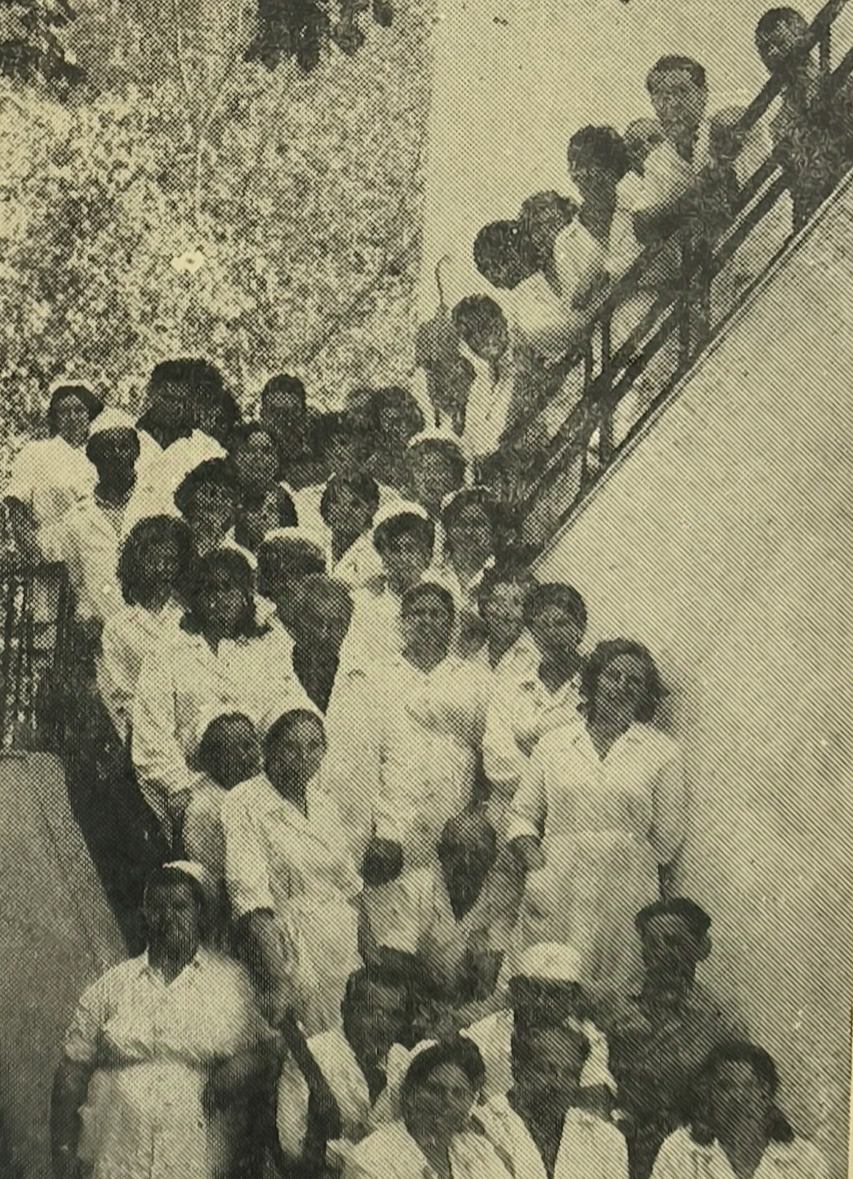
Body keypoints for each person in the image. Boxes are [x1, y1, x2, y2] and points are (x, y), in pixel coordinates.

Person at [50, 862, 270, 1179]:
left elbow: (270, 1049)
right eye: (157, 908)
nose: (168, 918)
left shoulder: (230, 981)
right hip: (118, 1156)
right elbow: (72, 1068)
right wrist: (63, 1152)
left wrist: (239, 1070)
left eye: (180, 907)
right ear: (145, 916)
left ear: (199, 913)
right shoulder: (113, 985)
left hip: (193, 1157)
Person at [506, 639, 684, 986]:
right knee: (546, 981)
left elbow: (667, 837)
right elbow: (522, 815)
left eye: (634, 681)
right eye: (613, 676)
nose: (621, 687)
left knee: (613, 987)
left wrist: (625, 857)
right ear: (595, 679)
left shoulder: (663, 752)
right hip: (558, 880)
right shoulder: (554, 743)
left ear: (645, 694)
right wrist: (537, 864)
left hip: (625, 887)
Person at [132, 548, 308, 843]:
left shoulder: (269, 644)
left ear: (246, 595)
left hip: (264, 777)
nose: (219, 600)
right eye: (209, 590)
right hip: (198, 784)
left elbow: (289, 708)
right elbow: (151, 732)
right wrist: (178, 787)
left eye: (229, 589)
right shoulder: (167, 651)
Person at [327, 583, 488, 873]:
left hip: (456, 830)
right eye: (417, 613)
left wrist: (475, 814)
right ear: (402, 622)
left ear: (452, 623)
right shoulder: (374, 677)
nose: (426, 621)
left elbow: (486, 751)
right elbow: (360, 761)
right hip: (391, 833)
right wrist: (380, 830)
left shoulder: (476, 681)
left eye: (436, 614)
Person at [224, 707, 362, 1035]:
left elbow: (350, 885)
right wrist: (279, 980)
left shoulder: (324, 804)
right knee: (319, 1041)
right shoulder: (243, 801)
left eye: (314, 746)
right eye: (290, 747)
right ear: (268, 749)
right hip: (292, 948)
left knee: (355, 1033)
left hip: (343, 941)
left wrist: (369, 956)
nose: (303, 758)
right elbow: (252, 900)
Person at [603, 898, 747, 1179]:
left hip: (688, 1157)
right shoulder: (612, 1005)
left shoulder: (723, 1022)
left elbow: (735, 1103)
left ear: (702, 948)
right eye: (651, 944)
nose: (661, 955)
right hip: (617, 1150)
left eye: (674, 943)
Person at [361, 811, 523, 1004]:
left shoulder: (502, 896)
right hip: (418, 1001)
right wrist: (432, 976)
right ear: (441, 852)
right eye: (456, 851)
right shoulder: (413, 890)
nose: (466, 863)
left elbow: (491, 973)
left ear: (492, 858)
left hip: (475, 1006)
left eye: (478, 854)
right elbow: (392, 958)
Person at [276, 964, 418, 1171]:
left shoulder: (401, 1061)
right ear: (345, 1010)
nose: (382, 1024)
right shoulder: (312, 1056)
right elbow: (292, 1148)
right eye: (370, 1011)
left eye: (394, 1015)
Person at [462, 941, 614, 1107]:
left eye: (554, 993)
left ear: (572, 998)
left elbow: (594, 1101)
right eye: (533, 991)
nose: (541, 1002)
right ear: (517, 991)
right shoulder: (483, 1032)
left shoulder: (590, 1040)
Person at [482, 583, 588, 822]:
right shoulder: (509, 687)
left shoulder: (596, 691)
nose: (551, 634)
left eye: (561, 624)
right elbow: (497, 759)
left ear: (580, 629)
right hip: (512, 812)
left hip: (575, 815)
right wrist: (552, 789)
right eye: (542, 625)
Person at [475, 1022, 629, 1179]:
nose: (558, 1083)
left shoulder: (606, 1140)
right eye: (547, 1069)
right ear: (517, 1068)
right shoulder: (482, 1127)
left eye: (570, 1073)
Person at [343, 1037, 512, 1179]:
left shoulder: (476, 1150)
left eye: (459, 1094)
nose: (448, 1101)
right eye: (435, 1090)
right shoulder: (373, 1158)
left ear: (470, 1104)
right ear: (410, 1094)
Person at [652, 1042, 826, 1179]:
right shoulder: (681, 1151)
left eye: (730, 1087)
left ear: (764, 1092)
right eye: (721, 1087)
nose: (730, 1098)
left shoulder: (805, 1160)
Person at [97, 514, 194, 744]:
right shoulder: (118, 628)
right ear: (137, 563)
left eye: (170, 561)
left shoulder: (191, 620)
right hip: (143, 740)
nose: (162, 569)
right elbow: (121, 697)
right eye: (153, 560)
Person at [755, 7, 853, 232]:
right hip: (821, 216)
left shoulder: (843, 85)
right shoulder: (779, 124)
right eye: (764, 48)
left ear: (803, 38)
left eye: (779, 43)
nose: (772, 54)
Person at [46, 420, 141, 624]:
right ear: (94, 457)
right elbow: (75, 583)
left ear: (136, 453)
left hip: (152, 629)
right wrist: (87, 617)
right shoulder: (76, 519)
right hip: (100, 628)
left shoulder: (154, 505)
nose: (116, 454)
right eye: (107, 448)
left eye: (124, 447)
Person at [126, 360, 230, 532]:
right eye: (168, 398)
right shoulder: (124, 441)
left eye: (181, 401)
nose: (175, 408)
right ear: (151, 393)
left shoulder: (208, 449)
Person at [336, 503, 438, 673]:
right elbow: (353, 665)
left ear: (427, 557)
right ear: (383, 556)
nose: (404, 558)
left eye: (411, 549)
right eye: (395, 550)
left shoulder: (442, 605)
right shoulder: (360, 606)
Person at [5, 382, 102, 555]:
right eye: (64, 412)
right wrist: (32, 553)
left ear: (89, 414)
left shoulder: (102, 455)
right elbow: (15, 505)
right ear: (55, 418)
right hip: (53, 552)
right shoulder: (36, 452)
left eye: (79, 410)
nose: (73, 417)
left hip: (97, 551)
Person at [183, 710, 263, 880]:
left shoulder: (255, 790)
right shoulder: (204, 809)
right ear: (214, 758)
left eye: (249, 745)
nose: (245, 757)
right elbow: (216, 876)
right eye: (232, 750)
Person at [447, 297, 518, 465]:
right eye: (497, 331)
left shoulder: (512, 367)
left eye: (502, 328)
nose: (505, 336)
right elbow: (472, 440)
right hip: (483, 462)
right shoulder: (475, 379)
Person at [290, 574, 355, 712]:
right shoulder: (278, 668)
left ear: (346, 625)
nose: (323, 634)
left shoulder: (355, 679)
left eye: (334, 624)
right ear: (299, 621)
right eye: (315, 621)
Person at [259, 373, 324, 489]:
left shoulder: (318, 463)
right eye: (274, 412)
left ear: (304, 417)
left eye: (291, 413)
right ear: (262, 416)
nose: (283, 422)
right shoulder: (250, 461)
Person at [440, 487, 498, 612]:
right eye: (461, 524)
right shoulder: (436, 574)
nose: (468, 531)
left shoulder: (501, 576)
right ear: (449, 530)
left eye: (478, 524)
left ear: (493, 531)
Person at [173, 457, 242, 560]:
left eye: (225, 496)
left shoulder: (233, 557)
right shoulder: (171, 540)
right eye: (210, 493)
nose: (216, 502)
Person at [475, 566, 538, 670]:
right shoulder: (474, 652)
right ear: (484, 605)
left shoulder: (534, 658)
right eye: (498, 601)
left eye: (516, 602)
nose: (506, 611)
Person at [405, 433, 468, 524]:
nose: (429, 478)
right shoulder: (408, 521)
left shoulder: (466, 521)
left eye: (438, 469)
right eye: (420, 469)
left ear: (455, 474)